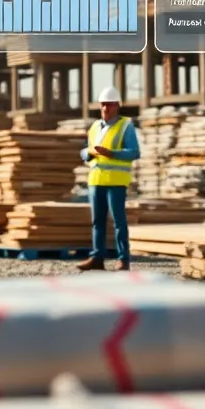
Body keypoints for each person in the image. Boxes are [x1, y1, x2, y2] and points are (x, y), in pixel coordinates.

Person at [77, 86, 141, 272]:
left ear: (117, 105)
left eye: (110, 104)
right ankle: (97, 258)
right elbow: (84, 149)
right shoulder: (94, 127)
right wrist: (87, 154)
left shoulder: (126, 126)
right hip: (96, 180)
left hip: (116, 181)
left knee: (119, 222)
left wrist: (111, 153)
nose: (106, 108)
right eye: (103, 104)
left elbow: (134, 152)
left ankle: (123, 260)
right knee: (97, 222)